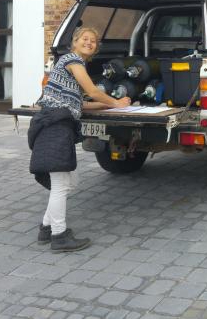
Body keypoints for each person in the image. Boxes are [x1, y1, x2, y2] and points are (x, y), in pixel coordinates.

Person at [28, 27, 131, 252]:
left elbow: (81, 102)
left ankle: (46, 228)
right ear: (74, 42)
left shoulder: (73, 66)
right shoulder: (72, 59)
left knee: (68, 182)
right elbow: (92, 91)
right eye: (85, 39)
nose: (89, 43)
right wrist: (116, 103)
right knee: (61, 184)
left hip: (58, 123)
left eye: (93, 41)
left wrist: (107, 104)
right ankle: (59, 236)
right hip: (54, 123)